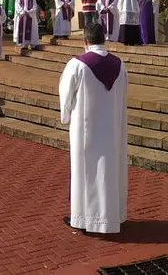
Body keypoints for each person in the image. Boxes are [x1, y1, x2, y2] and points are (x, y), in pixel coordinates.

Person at [58, 23, 128, 234]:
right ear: (103, 39)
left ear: (85, 41)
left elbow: (66, 94)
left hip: (85, 130)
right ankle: (112, 217)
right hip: (112, 130)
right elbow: (123, 95)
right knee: (110, 171)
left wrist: (66, 116)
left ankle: (84, 219)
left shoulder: (77, 64)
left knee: (85, 172)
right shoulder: (120, 64)